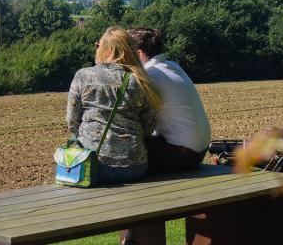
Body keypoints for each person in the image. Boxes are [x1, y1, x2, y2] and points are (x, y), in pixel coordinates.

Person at [66, 26, 161, 184]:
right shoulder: (138, 80)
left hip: (93, 166)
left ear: (103, 49)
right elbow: (149, 126)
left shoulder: (82, 76)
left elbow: (72, 121)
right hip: (135, 167)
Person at [127, 27, 211, 173]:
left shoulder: (150, 76)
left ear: (139, 54)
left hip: (183, 155)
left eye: (127, 53)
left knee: (121, 142)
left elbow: (133, 117)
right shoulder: (172, 66)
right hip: (199, 151)